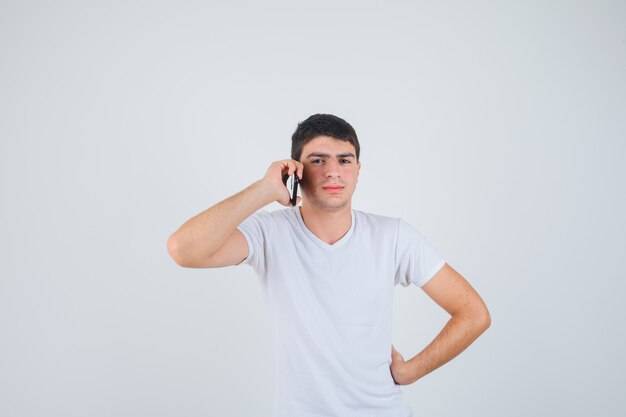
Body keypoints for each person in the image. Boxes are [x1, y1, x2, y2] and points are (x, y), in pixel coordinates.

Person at [167, 113, 491, 417]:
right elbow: (185, 249)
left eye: (344, 160)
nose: (333, 171)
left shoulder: (392, 236)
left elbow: (473, 313)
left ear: (358, 170)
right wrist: (265, 189)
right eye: (318, 160)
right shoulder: (270, 233)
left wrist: (411, 370)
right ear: (296, 170)